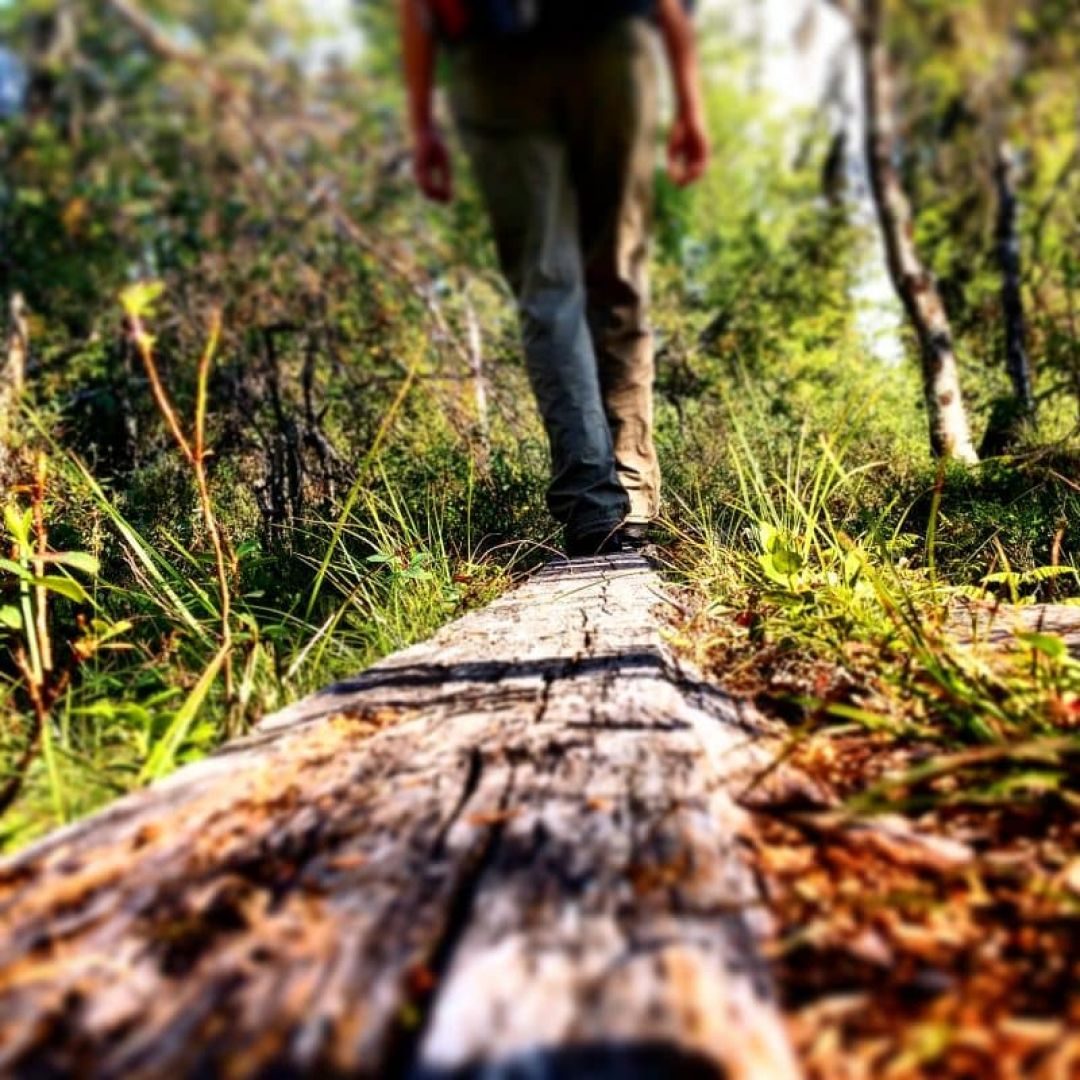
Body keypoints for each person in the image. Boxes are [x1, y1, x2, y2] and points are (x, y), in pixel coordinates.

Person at [398, 0, 709, 556]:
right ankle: (629, 500)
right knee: (616, 274)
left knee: (548, 288)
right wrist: (689, 99)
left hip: (495, 59)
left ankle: (595, 505)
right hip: (605, 44)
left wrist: (422, 122)